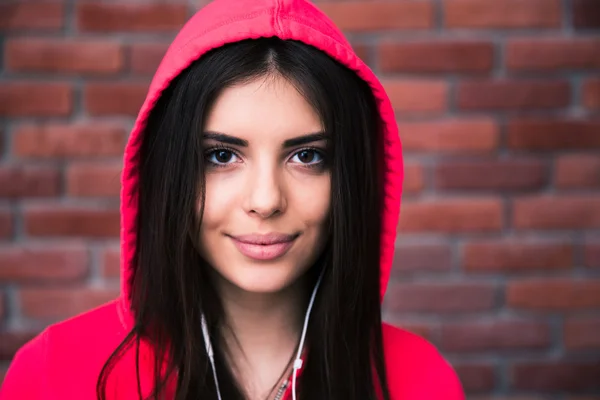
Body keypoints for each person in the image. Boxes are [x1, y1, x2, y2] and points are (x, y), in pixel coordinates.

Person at [0, 0, 465, 399]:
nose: (265, 200)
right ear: (169, 169)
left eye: (306, 156)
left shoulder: (420, 380)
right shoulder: (54, 373)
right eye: (222, 156)